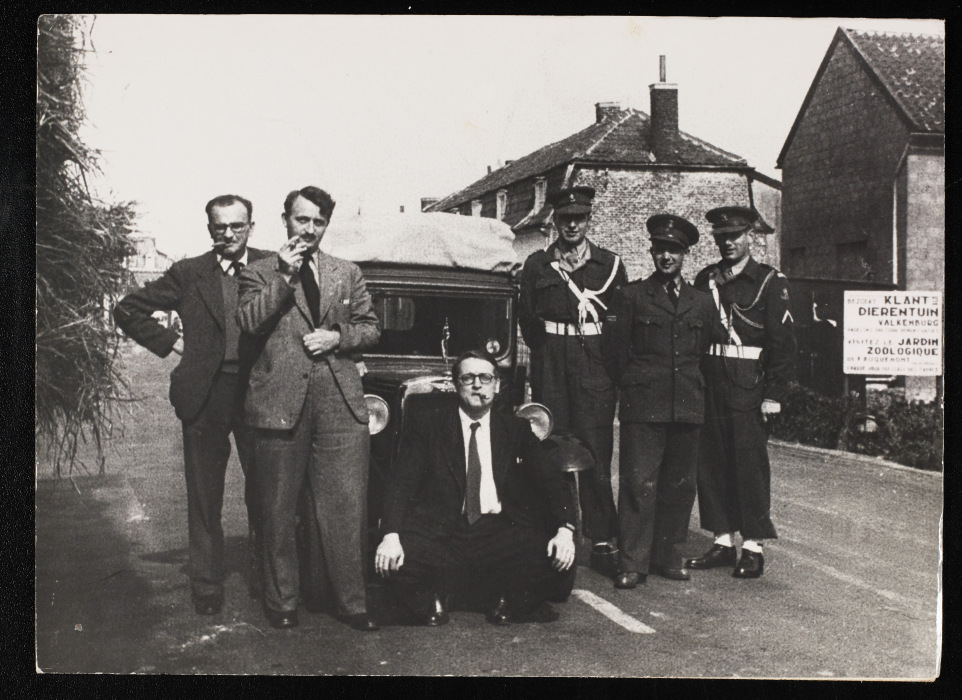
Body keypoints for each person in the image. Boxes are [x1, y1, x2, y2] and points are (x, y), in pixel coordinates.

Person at [113, 194, 269, 615]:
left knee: (266, 490)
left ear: (252, 226)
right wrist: (173, 343)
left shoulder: (272, 266)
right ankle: (206, 585)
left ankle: (266, 578)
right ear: (209, 230)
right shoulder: (188, 273)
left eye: (238, 225)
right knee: (205, 495)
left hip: (259, 392)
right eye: (221, 227)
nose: (230, 234)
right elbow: (127, 309)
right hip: (206, 394)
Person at [236, 186, 381, 630]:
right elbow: (250, 321)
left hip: (339, 401)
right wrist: (283, 275)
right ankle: (283, 602)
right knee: (278, 509)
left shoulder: (346, 272)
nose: (310, 230)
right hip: (279, 402)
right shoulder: (257, 272)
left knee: (345, 506)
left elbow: (371, 328)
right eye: (303, 220)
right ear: (286, 220)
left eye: (319, 222)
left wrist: (338, 338)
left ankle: (351, 602)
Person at [374, 350, 577, 626]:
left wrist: (565, 530)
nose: (477, 385)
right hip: (443, 530)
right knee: (390, 563)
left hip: (498, 529)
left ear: (497, 385)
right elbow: (401, 482)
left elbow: (550, 480)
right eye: (468, 378)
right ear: (456, 385)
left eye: (485, 377)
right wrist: (391, 535)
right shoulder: (429, 425)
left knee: (554, 559)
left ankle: (505, 600)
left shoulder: (515, 428)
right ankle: (432, 601)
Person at [600, 215, 719, 589]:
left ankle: (670, 555)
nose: (666, 257)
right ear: (651, 252)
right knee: (639, 483)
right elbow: (615, 352)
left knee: (680, 484)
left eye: (675, 251)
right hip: (644, 403)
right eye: (660, 249)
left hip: (686, 402)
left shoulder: (701, 302)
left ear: (685, 255)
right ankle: (633, 561)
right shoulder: (631, 296)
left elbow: (705, 352)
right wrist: (637, 384)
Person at [517, 185, 627, 575]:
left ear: (588, 219)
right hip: (551, 364)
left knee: (595, 451)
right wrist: (549, 354)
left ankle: (600, 538)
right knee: (551, 448)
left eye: (579, 218)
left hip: (594, 364)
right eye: (565, 219)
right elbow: (527, 318)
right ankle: (557, 529)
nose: (572, 225)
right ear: (555, 221)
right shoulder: (537, 266)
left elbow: (617, 320)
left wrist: (603, 364)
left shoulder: (609, 265)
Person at [687, 206, 796, 579]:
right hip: (710, 380)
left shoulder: (768, 281)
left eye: (735, 236)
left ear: (751, 236)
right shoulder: (706, 279)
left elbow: (783, 345)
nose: (728, 243)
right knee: (711, 461)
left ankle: (753, 546)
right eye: (721, 237)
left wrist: (773, 394)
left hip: (749, 382)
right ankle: (722, 540)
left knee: (748, 465)